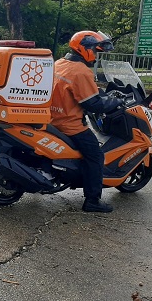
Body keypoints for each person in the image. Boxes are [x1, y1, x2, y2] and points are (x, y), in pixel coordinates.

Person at [50, 30, 121, 213]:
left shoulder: (60, 63)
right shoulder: (81, 71)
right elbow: (94, 104)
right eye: (96, 51)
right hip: (69, 125)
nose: (96, 56)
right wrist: (115, 101)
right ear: (86, 49)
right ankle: (92, 200)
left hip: (52, 120)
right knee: (96, 156)